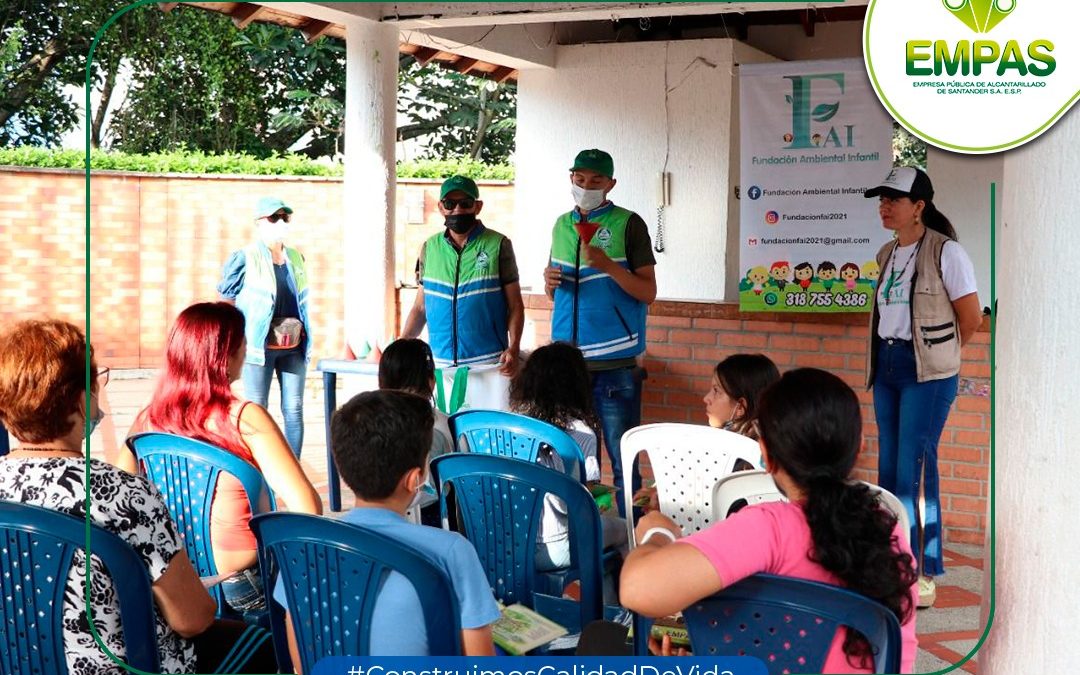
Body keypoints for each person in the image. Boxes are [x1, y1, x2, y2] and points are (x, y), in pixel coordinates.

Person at [0, 319, 277, 674]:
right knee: (262, 646)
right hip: (128, 667)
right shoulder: (121, 494)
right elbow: (191, 619)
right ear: (83, 401)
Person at [619, 368, 919, 672]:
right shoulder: (888, 528)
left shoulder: (769, 528)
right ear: (859, 449)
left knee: (604, 642)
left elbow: (635, 588)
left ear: (766, 456)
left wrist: (657, 533)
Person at [119, 302, 322, 614]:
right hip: (241, 589)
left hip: (173, 586)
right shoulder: (244, 419)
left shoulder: (148, 420)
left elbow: (120, 495)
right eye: (242, 342)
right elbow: (308, 507)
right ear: (225, 355)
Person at [272, 390, 500, 660]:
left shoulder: (302, 551)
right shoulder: (451, 551)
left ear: (343, 468)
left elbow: (301, 663)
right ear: (415, 479)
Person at [864, 166, 982, 608]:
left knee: (914, 468)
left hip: (929, 373)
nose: (885, 206)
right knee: (889, 470)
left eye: (894, 199)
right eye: (882, 199)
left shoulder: (947, 253)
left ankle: (923, 570)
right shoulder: (886, 253)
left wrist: (940, 357)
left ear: (919, 207)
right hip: (888, 366)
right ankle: (892, 560)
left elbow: (970, 320)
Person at [543, 149, 657, 517]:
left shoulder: (628, 224)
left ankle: (631, 537)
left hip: (614, 365)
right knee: (575, 459)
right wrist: (549, 282)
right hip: (567, 365)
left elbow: (647, 291)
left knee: (623, 461)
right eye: (580, 178)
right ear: (571, 176)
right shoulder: (562, 224)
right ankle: (583, 530)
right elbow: (553, 290)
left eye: (596, 180)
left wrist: (607, 265)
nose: (586, 186)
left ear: (611, 184)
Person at [508, 342, 628, 571]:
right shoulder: (580, 434)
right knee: (626, 530)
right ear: (578, 384)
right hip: (554, 547)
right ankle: (612, 604)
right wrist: (592, 498)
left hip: (505, 543)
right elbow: (569, 506)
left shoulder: (508, 426)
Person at [218, 196, 312, 458]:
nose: (281, 222)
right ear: (259, 222)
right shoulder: (245, 257)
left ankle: (293, 466)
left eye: (285, 217)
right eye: (274, 217)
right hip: (258, 347)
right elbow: (227, 300)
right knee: (257, 408)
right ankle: (258, 463)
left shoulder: (296, 257)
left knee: (294, 408)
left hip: (293, 345)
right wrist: (231, 341)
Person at [401, 175, 524, 375]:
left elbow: (515, 305)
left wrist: (514, 346)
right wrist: (403, 344)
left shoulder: (498, 245)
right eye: (450, 204)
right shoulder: (429, 248)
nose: (457, 210)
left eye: (465, 203)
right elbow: (420, 307)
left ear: (477, 206)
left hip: (490, 364)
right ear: (441, 207)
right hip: (440, 364)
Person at [633, 353, 782, 513]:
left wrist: (667, 501)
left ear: (740, 407)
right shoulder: (776, 444)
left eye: (716, 391)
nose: (706, 398)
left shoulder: (730, 454)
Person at [378, 337, 453, 524]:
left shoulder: (371, 423)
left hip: (382, 520)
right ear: (432, 381)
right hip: (433, 522)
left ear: (382, 381)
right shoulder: (445, 425)